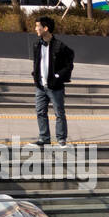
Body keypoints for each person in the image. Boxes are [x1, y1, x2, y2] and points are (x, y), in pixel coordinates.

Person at [31, 16, 75, 147]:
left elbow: (69, 62)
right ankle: (44, 138)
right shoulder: (36, 44)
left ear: (45, 28)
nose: (35, 29)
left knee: (59, 113)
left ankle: (61, 139)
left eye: (37, 26)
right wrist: (36, 75)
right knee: (40, 112)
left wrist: (58, 76)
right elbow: (37, 63)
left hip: (54, 87)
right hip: (40, 85)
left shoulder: (59, 46)